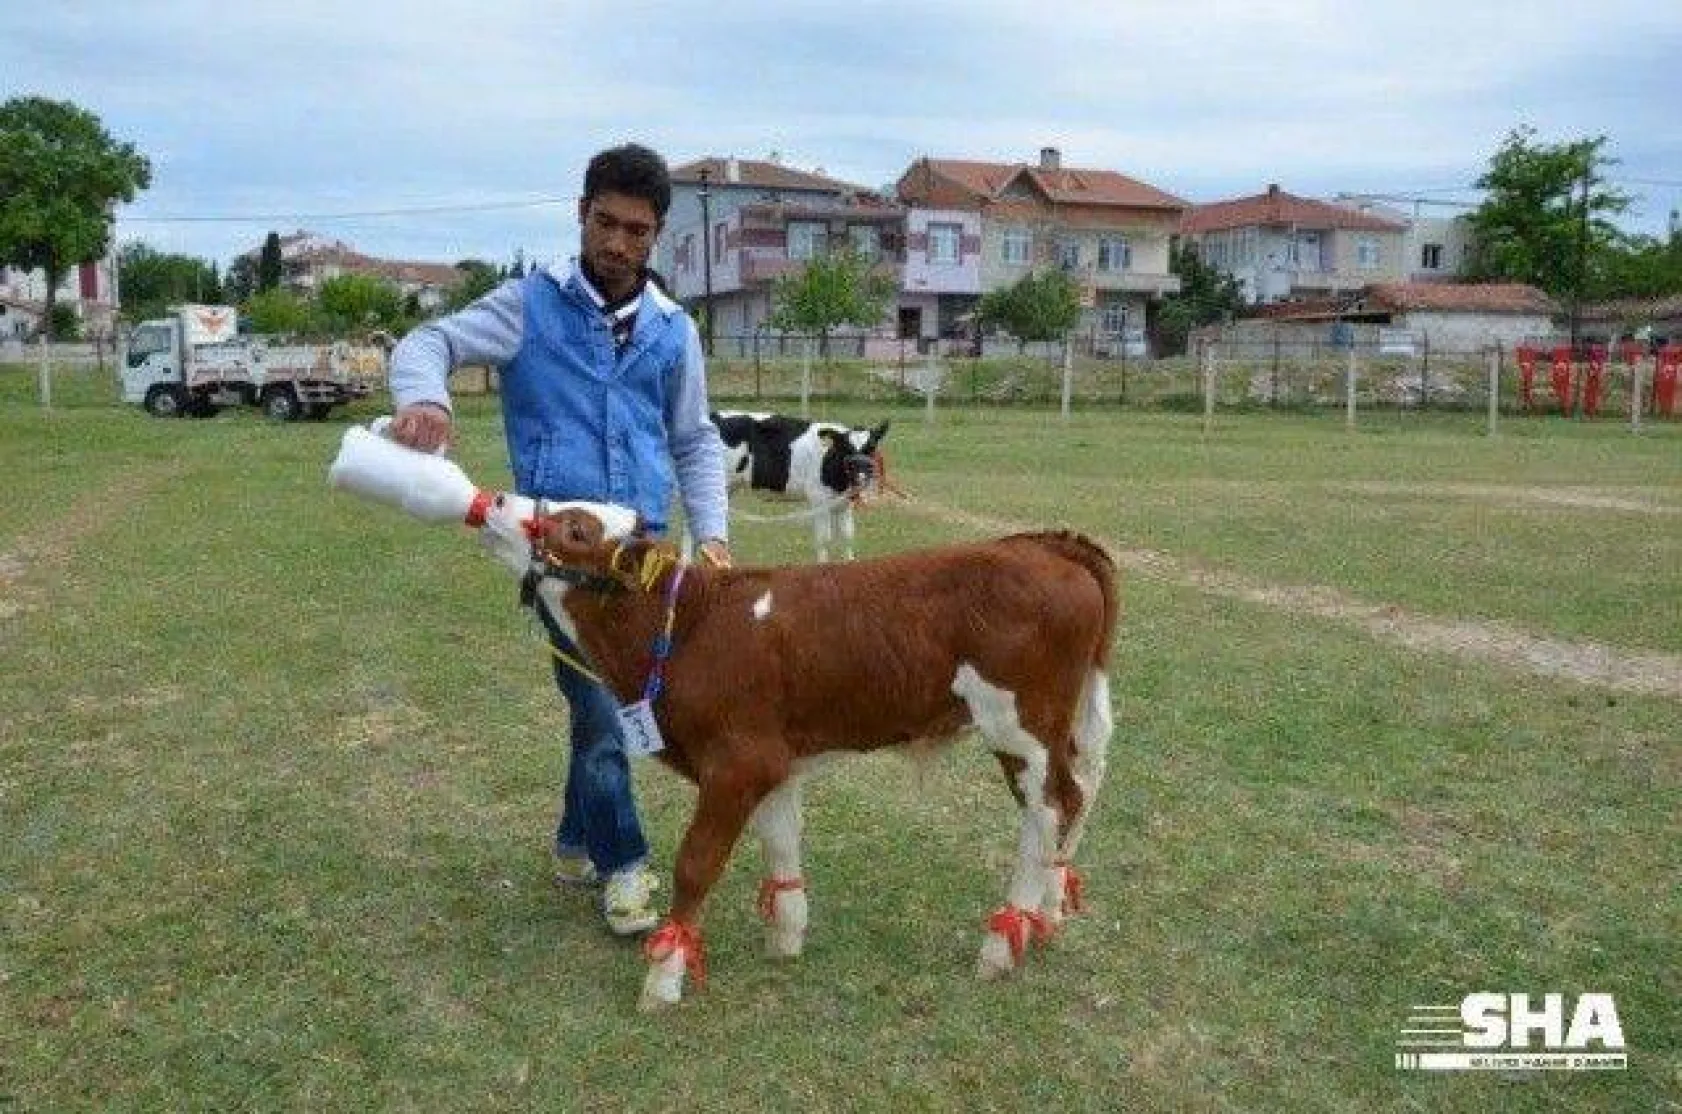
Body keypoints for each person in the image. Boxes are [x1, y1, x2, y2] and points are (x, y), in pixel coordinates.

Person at [385, 143, 732, 936]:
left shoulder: (674, 331)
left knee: (624, 703)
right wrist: (424, 398)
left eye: (636, 231)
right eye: (604, 223)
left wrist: (712, 534)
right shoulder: (525, 307)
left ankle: (576, 837)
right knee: (604, 705)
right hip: (559, 560)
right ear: (579, 214)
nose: (616, 243)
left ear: (657, 237)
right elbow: (427, 343)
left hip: (644, 560)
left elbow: (695, 441)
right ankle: (626, 866)